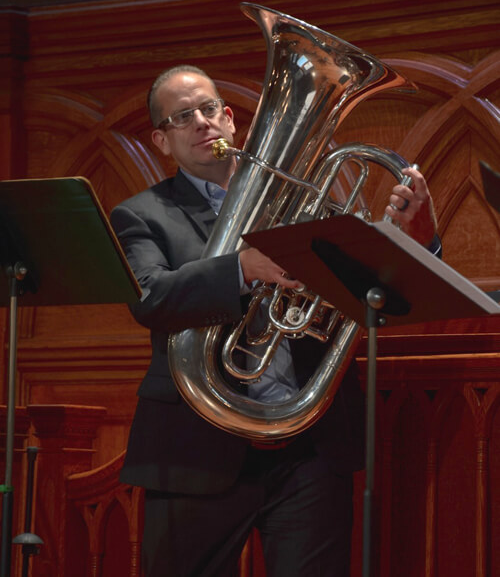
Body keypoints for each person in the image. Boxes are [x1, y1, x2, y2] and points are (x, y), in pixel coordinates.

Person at [110, 65, 440, 577]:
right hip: (196, 448)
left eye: (209, 109)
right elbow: (148, 298)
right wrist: (240, 268)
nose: (201, 122)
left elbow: (375, 300)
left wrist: (414, 240)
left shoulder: (307, 204)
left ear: (231, 119)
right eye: (182, 117)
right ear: (161, 140)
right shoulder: (142, 215)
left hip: (308, 447)